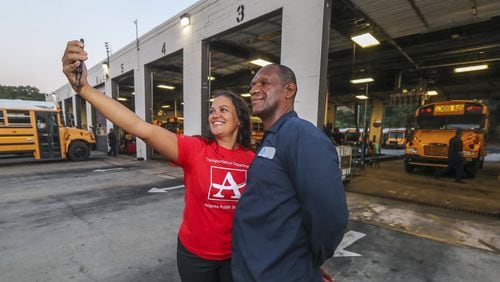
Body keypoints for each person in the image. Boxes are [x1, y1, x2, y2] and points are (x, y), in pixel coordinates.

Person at [62, 40, 255, 282]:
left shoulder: (253, 160)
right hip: (196, 257)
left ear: (240, 119)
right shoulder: (195, 149)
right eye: (212, 109)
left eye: (223, 110)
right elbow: (140, 127)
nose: (214, 113)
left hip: (235, 255)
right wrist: (84, 89)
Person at [232, 64, 349, 281]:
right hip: (256, 268)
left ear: (289, 90)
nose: (254, 89)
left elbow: (330, 215)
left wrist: (308, 260)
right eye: (252, 85)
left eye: (264, 83)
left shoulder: (302, 136)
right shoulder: (272, 137)